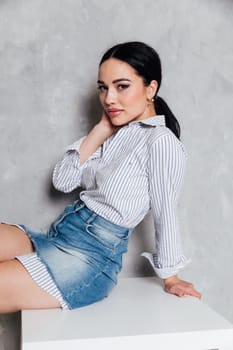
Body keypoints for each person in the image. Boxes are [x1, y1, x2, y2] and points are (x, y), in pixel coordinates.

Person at [0, 41, 201, 313]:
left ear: (150, 88)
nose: (109, 98)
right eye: (103, 88)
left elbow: (165, 211)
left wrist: (170, 276)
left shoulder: (161, 142)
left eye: (122, 86)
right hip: (58, 236)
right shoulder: (115, 133)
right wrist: (100, 130)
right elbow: (63, 180)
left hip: (88, 258)